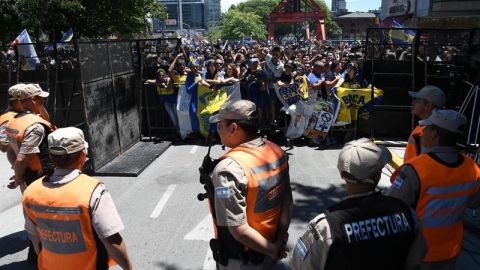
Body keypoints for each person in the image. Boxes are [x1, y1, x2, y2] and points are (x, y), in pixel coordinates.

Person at [290, 138, 427, 270]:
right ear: (377, 176)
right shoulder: (406, 214)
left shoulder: (326, 226)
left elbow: (300, 265)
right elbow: (416, 261)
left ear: (341, 173)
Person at [22, 127, 135, 270]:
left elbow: (34, 237)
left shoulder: (30, 192)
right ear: (83, 155)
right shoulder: (92, 190)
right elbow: (112, 240)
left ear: (51, 156)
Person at [386, 109, 480, 269]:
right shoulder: (472, 168)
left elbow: (393, 207)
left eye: (426, 129)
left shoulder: (414, 169)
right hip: (451, 251)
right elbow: (473, 203)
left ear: (435, 134)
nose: (423, 133)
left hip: (418, 252)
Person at [208, 100, 293, 269]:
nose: (218, 131)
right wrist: (278, 241)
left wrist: (272, 250)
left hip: (242, 258)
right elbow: (287, 201)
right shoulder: (277, 151)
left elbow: (238, 229)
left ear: (233, 128)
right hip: (272, 244)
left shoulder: (227, 170)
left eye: (219, 126)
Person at [6, 83, 55, 190]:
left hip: (26, 176)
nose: (43, 102)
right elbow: (21, 158)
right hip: (39, 179)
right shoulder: (35, 126)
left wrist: (18, 173)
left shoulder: (13, 122)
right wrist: (18, 178)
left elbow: (10, 151)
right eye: (41, 100)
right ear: (33, 99)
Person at [404, 85, 446, 162]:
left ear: (428, 105)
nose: (412, 102)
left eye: (417, 100)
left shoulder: (427, 132)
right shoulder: (441, 129)